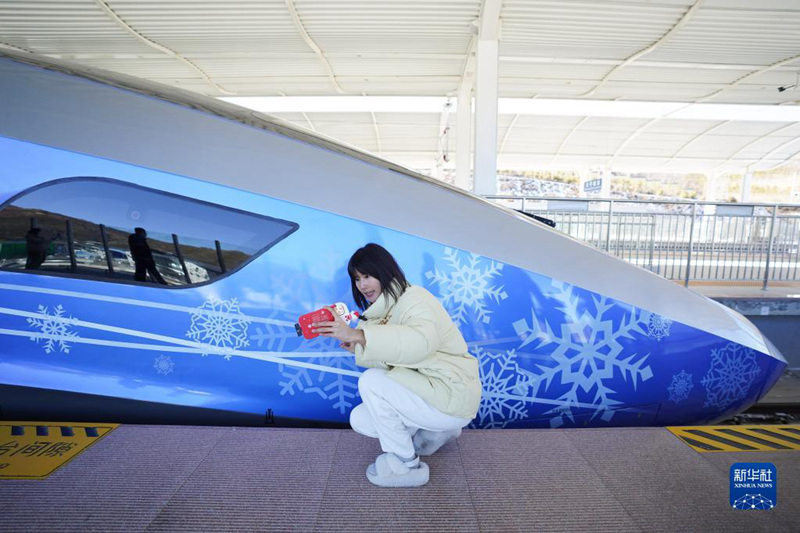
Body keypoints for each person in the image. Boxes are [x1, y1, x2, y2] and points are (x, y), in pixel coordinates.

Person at [313, 243, 482, 488]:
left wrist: (360, 336)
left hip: (452, 392)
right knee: (361, 419)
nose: (362, 285)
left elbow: (420, 343)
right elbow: (400, 358)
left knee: (371, 381)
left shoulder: (416, 299)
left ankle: (405, 465)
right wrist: (358, 344)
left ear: (384, 271)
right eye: (357, 278)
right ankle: (436, 433)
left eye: (367, 276)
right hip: (433, 392)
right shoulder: (384, 310)